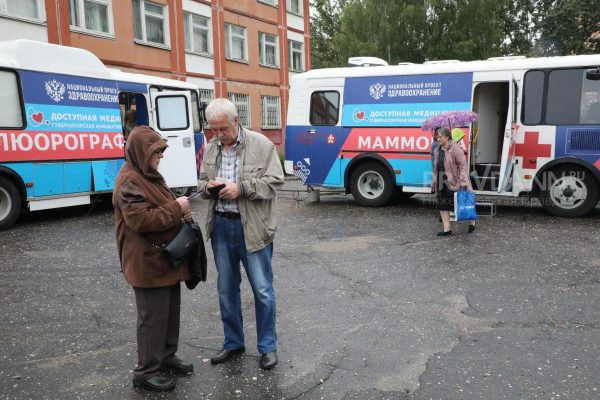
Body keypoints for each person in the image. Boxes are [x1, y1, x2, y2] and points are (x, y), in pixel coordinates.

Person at [198, 98, 284, 370]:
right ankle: (233, 343)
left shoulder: (261, 145)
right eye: (213, 130)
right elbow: (200, 182)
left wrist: (241, 188)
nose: (218, 135)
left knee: (262, 290)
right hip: (222, 225)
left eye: (223, 129)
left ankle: (267, 348)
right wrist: (208, 186)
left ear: (236, 121)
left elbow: (274, 183)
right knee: (226, 289)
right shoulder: (211, 147)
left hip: (253, 227)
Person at [113, 126, 194, 392]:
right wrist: (176, 208)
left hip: (164, 257)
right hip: (146, 261)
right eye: (156, 152)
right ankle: (146, 371)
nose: (161, 156)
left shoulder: (149, 175)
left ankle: (166, 358)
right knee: (152, 318)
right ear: (140, 152)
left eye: (161, 151)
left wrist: (181, 212)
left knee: (169, 313)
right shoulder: (129, 181)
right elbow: (140, 219)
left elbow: (161, 206)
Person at [431, 126, 476, 236]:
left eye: (440, 137)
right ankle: (447, 229)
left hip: (456, 180)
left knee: (462, 202)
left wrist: (463, 180)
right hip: (442, 180)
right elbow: (435, 166)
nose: (438, 139)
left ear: (447, 136)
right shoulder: (437, 149)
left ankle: (472, 221)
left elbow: (462, 165)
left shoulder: (455, 147)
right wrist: (434, 179)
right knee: (443, 204)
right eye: (437, 137)